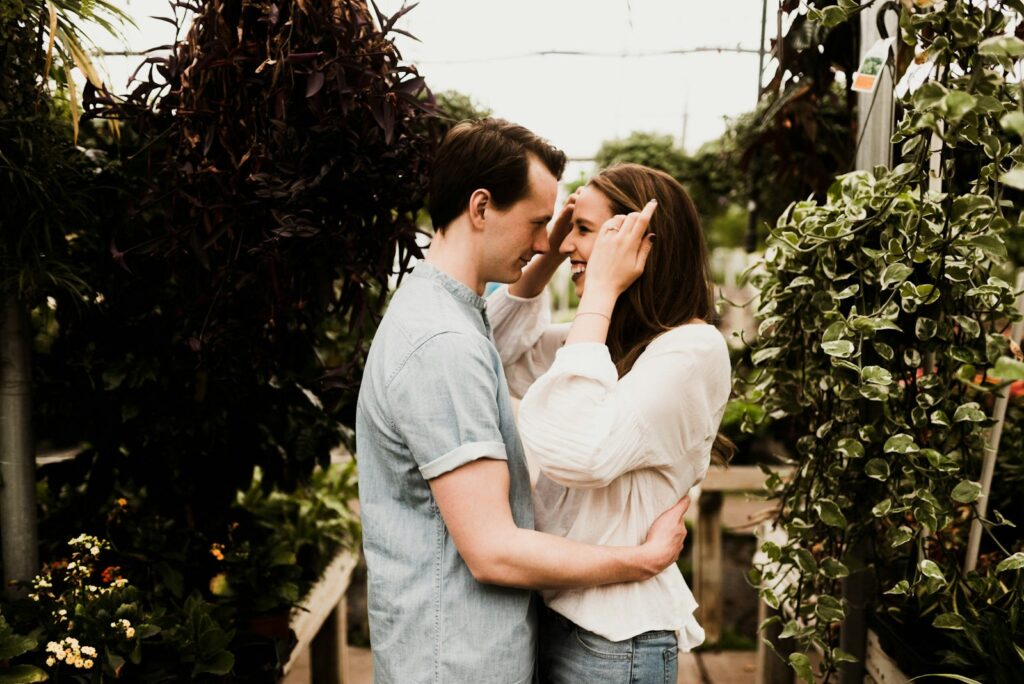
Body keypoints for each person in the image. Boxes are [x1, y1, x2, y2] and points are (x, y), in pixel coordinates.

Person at [356, 122, 693, 684]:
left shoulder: (441, 311)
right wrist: (641, 561)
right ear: (481, 207)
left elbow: (505, 343)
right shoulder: (444, 343)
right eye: (539, 224)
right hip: (458, 664)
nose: (548, 243)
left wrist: (553, 257)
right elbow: (494, 551)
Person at [487, 162, 732, 683]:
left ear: (639, 243)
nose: (568, 244)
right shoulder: (607, 343)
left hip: (614, 642)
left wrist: (598, 292)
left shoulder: (691, 349)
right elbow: (497, 352)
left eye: (582, 230)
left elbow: (580, 452)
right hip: (559, 615)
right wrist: (550, 255)